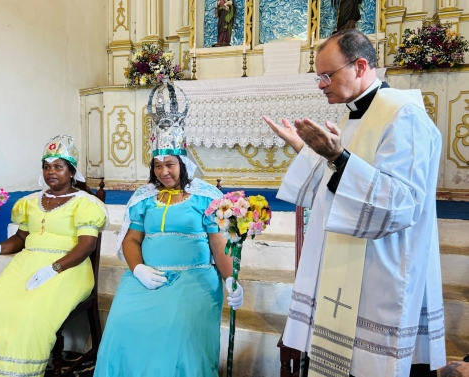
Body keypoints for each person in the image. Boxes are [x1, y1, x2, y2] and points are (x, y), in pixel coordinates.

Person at [262, 29, 445, 376]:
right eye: (319, 77)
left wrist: (338, 156)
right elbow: (338, 185)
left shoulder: (403, 115)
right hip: (348, 268)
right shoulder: (355, 116)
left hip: (382, 269)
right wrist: (308, 150)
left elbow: (403, 203)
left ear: (360, 66)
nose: (321, 84)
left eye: (327, 75)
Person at [93, 80, 243, 376]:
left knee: (177, 330)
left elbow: (219, 244)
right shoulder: (144, 197)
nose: (164, 171)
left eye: (170, 164)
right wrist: (138, 270)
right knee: (122, 322)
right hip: (147, 277)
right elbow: (132, 240)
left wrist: (231, 280)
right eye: (158, 165)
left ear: (183, 163)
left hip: (194, 279)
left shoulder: (207, 198)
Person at [0, 135, 108, 377]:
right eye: (47, 166)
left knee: (30, 314)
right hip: (26, 263)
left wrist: (53, 268)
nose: (51, 172)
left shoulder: (85, 204)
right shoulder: (29, 202)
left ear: (71, 171)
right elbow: (20, 238)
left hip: (69, 268)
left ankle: (19, 371)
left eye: (58, 166)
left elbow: (87, 246)